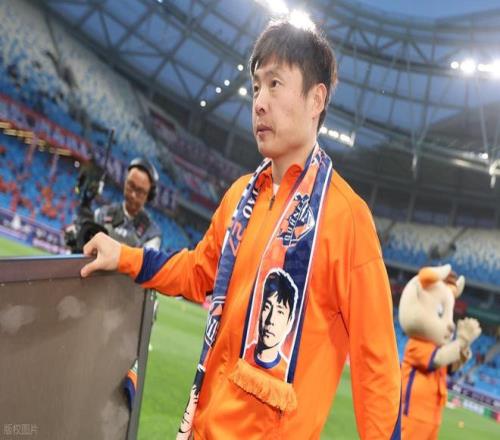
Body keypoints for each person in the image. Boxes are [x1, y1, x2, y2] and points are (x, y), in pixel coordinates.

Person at [81, 18, 401, 439]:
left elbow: (376, 366)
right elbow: (198, 272)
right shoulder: (239, 196)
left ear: (316, 99)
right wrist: (124, 256)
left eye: (275, 84)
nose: (259, 103)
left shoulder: (347, 218)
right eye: (255, 87)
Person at [94, 158, 162, 250]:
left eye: (140, 191)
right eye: (131, 185)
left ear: (149, 196)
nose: (133, 195)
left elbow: (145, 259)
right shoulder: (101, 214)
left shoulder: (152, 233)